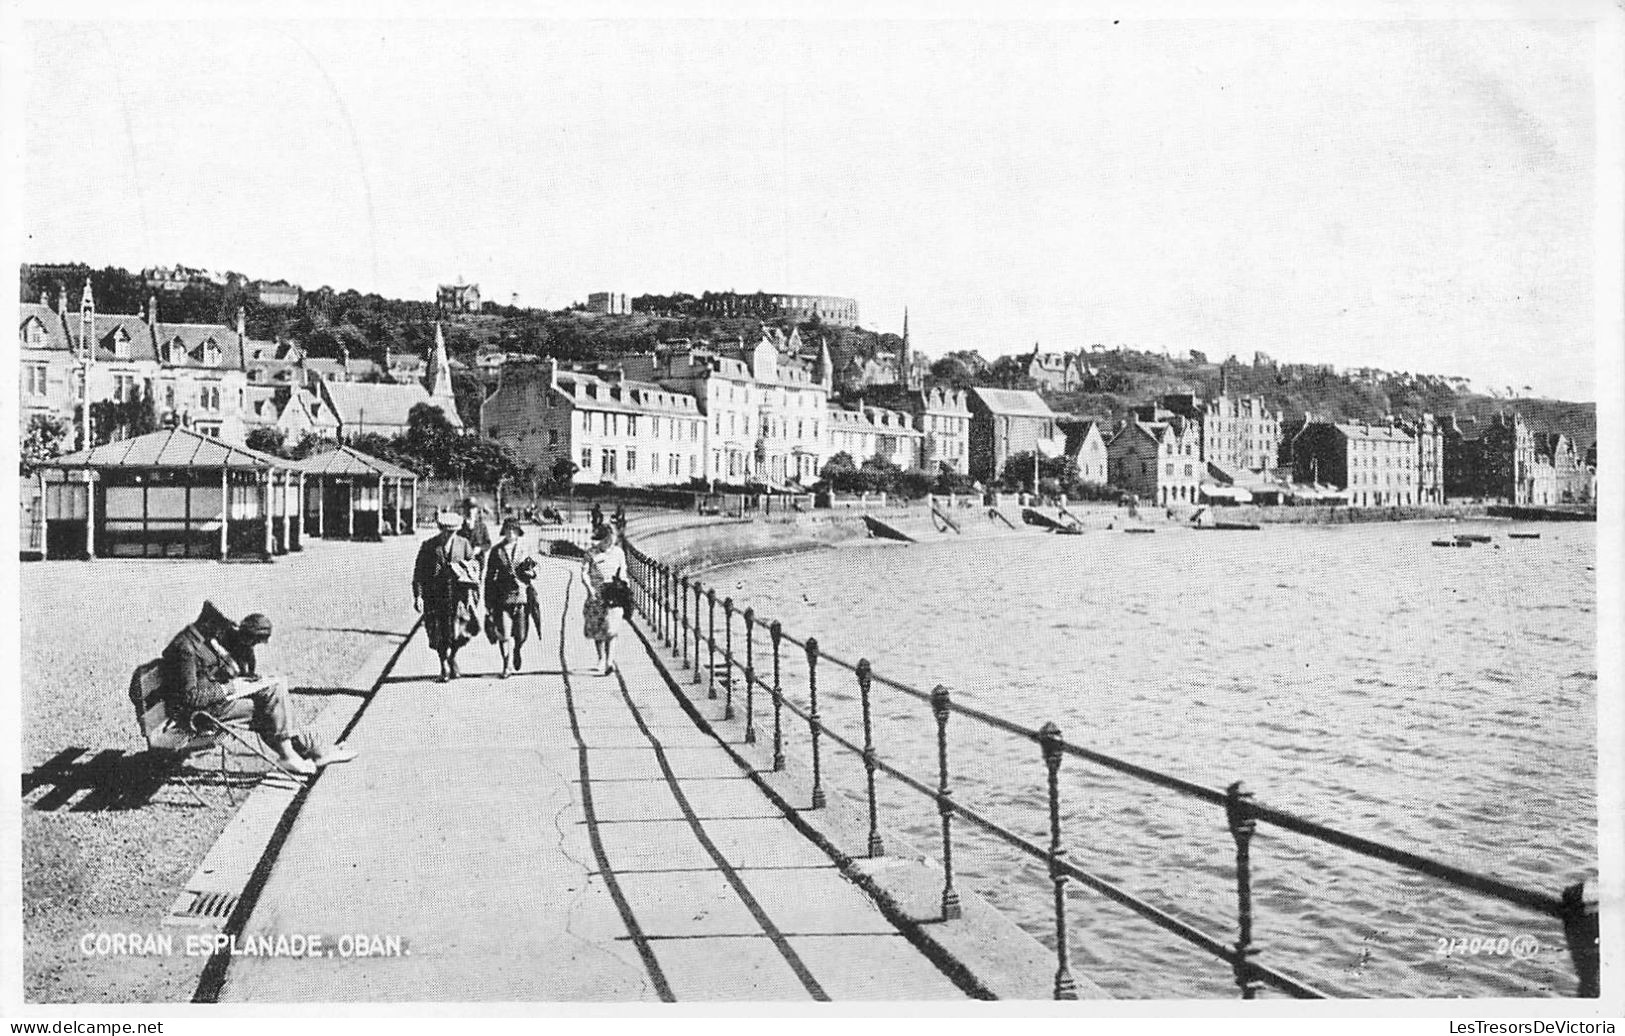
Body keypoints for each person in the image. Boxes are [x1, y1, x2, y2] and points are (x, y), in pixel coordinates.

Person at [163, 604, 357, 776]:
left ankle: (313, 750)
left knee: (273, 693)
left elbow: (212, 675)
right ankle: (304, 752)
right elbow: (190, 698)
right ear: (209, 622)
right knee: (270, 705)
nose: (225, 631)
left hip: (213, 704)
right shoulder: (186, 649)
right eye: (222, 625)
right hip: (199, 715)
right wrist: (229, 687)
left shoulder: (199, 641)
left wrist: (244, 680)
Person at [414, 511, 481, 682]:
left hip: (458, 596)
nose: (448, 534)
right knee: (439, 633)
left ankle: (453, 657)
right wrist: (418, 596)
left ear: (457, 530)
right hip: (435, 597)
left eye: (452, 531)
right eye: (445, 530)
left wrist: (466, 572)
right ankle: (443, 663)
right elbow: (419, 574)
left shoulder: (464, 544)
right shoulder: (429, 546)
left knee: (460, 633)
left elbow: (474, 568)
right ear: (440, 528)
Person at [484, 519, 537, 678]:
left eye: (513, 530)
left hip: (521, 597)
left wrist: (531, 573)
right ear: (503, 531)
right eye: (507, 530)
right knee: (504, 634)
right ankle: (506, 665)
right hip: (502, 597)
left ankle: (517, 650)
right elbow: (489, 577)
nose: (510, 533)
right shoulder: (496, 551)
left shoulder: (525, 549)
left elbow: (535, 568)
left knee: (520, 635)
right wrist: (488, 601)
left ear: (518, 532)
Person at [578, 527, 626, 675]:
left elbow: (623, 571)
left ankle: (609, 661)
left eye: (610, 538)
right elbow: (584, 573)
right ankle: (601, 657)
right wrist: (590, 589)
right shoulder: (591, 553)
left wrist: (623, 586)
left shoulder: (619, 552)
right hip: (596, 595)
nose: (608, 541)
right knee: (598, 629)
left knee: (611, 629)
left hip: (613, 594)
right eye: (605, 539)